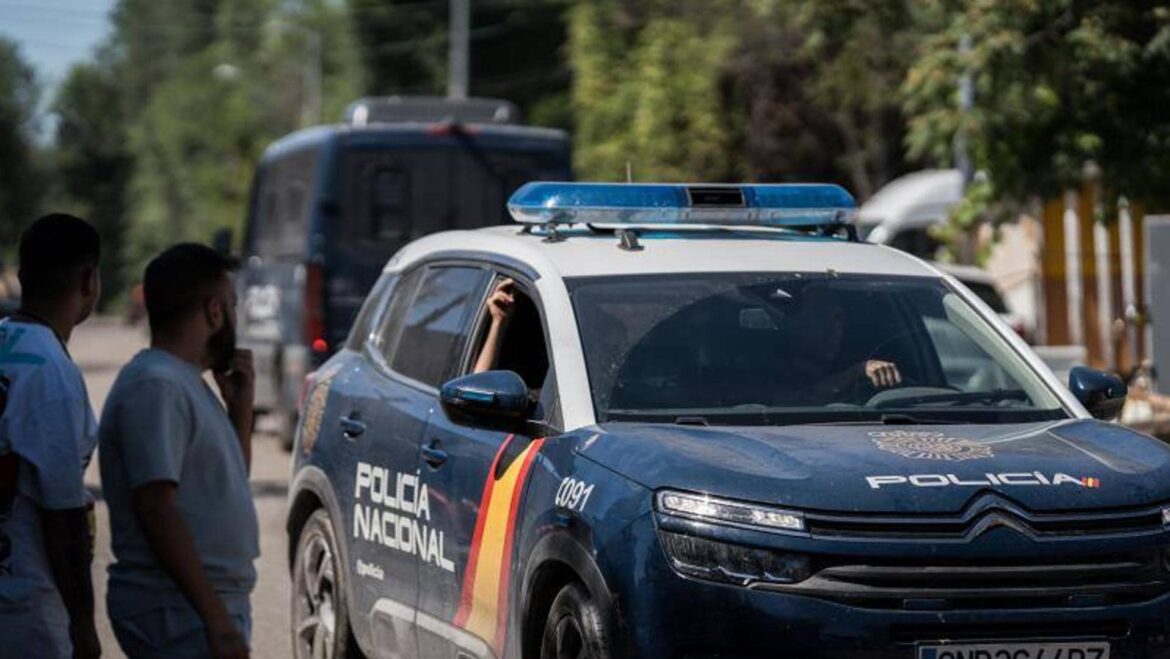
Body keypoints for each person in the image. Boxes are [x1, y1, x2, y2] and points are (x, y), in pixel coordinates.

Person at [99, 243, 257, 659]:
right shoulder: (158, 385)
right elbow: (156, 508)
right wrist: (217, 622)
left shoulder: (184, 382)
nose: (234, 317)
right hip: (176, 608)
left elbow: (227, 484)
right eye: (232, 304)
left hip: (196, 606)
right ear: (214, 312)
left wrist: (240, 412)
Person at [0, 214, 102, 658]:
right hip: (26, 614)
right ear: (89, 280)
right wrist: (83, 625)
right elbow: (62, 516)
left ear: (22, 277)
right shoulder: (51, 375)